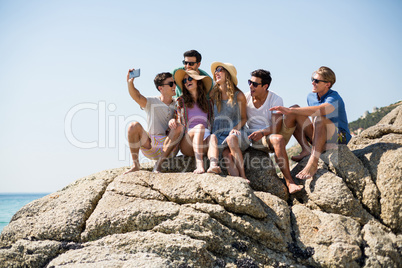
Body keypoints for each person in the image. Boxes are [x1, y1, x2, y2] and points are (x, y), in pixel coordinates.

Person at [270, 66, 351, 180]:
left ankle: (313, 161)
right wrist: (292, 111)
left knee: (317, 117)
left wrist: (290, 110)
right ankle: (306, 149)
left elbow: (322, 110)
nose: (313, 82)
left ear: (327, 84)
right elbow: (310, 117)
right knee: (295, 110)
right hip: (320, 133)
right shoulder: (311, 96)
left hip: (339, 136)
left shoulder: (334, 97)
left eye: (317, 81)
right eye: (312, 79)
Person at [246, 69, 303, 194]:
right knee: (278, 138)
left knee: (295, 110)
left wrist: (262, 132)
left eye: (255, 84)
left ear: (265, 86)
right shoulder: (245, 98)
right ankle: (290, 182)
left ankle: (308, 149)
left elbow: (276, 128)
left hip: (271, 133)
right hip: (256, 140)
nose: (251, 86)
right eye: (250, 82)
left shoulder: (275, 99)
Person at [124, 70, 182, 174]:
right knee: (133, 125)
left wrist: (175, 120)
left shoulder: (178, 103)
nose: (174, 86)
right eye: (171, 84)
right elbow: (136, 96)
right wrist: (130, 83)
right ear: (161, 88)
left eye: (175, 83)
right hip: (151, 146)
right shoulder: (151, 102)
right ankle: (135, 165)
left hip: (170, 148)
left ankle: (159, 164)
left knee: (179, 126)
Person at [171, 69, 220, 174]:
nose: (187, 82)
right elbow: (176, 118)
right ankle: (199, 165)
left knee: (213, 137)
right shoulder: (181, 102)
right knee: (199, 127)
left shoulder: (208, 103)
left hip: (204, 141)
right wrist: (172, 120)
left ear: (198, 81)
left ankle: (213, 165)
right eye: (184, 81)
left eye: (190, 79)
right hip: (187, 142)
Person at [209, 62, 250, 181]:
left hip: (237, 132)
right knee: (227, 155)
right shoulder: (213, 94)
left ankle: (243, 176)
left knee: (231, 139)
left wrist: (235, 128)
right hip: (220, 134)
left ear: (228, 74)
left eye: (219, 70)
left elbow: (244, 118)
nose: (216, 72)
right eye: (215, 71)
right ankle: (238, 182)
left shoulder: (239, 95)